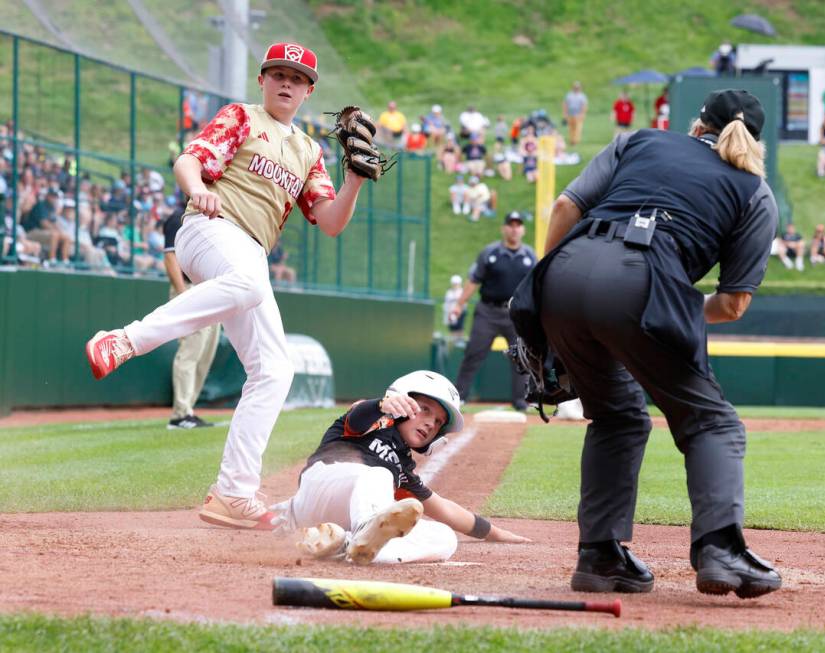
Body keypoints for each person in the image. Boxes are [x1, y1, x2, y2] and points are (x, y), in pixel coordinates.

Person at [84, 42, 371, 530]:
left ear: (309, 91)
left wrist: (355, 183)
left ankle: (233, 493)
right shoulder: (242, 116)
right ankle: (125, 340)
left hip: (248, 255)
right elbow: (189, 160)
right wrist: (197, 189)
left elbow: (329, 221)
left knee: (275, 370)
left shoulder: (308, 151)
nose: (286, 83)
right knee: (248, 282)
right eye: (278, 73)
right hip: (207, 230)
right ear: (262, 80)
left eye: (297, 78)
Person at [538, 89, 781, 598]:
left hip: (563, 271)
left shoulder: (639, 140)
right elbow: (733, 304)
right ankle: (719, 548)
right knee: (712, 421)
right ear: (756, 144)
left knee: (617, 415)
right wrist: (666, 308)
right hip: (641, 279)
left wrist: (547, 288)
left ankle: (599, 557)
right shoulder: (755, 192)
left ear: (697, 125)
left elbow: (565, 205)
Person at [268, 371, 528, 564]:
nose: (430, 423)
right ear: (402, 402)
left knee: (444, 539)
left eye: (438, 421)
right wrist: (381, 405)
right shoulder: (373, 418)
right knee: (379, 475)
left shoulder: (403, 469)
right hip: (319, 490)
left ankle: (345, 547)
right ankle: (361, 536)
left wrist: (496, 533)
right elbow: (358, 414)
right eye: (424, 410)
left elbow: (444, 508)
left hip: (341, 523)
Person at [450, 212, 536, 410]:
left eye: (518, 225)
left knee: (522, 357)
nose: (514, 229)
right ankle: (459, 396)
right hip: (488, 311)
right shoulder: (490, 253)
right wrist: (459, 304)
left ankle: (521, 400)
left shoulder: (530, 256)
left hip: (516, 314)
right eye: (510, 225)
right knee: (473, 353)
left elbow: (535, 286)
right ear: (504, 228)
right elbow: (474, 280)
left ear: (522, 229)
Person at [161, 204, 221, 430]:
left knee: (206, 353)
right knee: (191, 351)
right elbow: (170, 258)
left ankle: (188, 410)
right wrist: (182, 294)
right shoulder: (178, 218)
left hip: (209, 290)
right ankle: (180, 414)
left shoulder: (209, 220)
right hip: (188, 288)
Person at [562, 81, 589, 146]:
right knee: (571, 128)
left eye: (578, 87)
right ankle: (572, 140)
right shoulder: (569, 95)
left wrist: (582, 114)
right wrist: (565, 113)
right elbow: (565, 104)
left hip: (578, 114)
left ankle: (575, 141)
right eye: (575, 87)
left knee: (578, 128)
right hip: (570, 114)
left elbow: (584, 106)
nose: (576, 88)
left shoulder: (582, 96)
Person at [443, 274, 466, 345]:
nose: (455, 285)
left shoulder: (461, 292)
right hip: (451, 313)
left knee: (459, 329)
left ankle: (459, 344)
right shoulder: (449, 292)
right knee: (452, 330)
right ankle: (453, 344)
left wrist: (458, 312)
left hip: (460, 313)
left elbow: (463, 304)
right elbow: (447, 304)